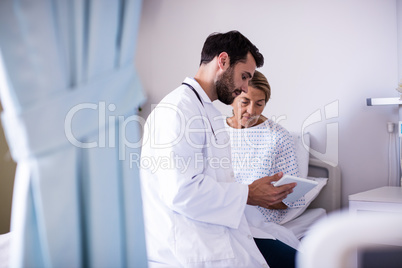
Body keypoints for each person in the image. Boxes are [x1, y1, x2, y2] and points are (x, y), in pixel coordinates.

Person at [140, 31, 296, 268]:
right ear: (222, 61)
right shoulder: (178, 110)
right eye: (244, 77)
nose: (245, 88)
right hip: (188, 247)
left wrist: (250, 194)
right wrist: (248, 193)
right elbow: (182, 192)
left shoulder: (204, 110)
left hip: (213, 232)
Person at [226, 70, 306, 255]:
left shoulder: (278, 137)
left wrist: (260, 197)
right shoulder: (216, 132)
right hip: (222, 209)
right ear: (231, 99)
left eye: (259, 104)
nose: (252, 111)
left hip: (257, 218)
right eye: (245, 102)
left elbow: (292, 199)